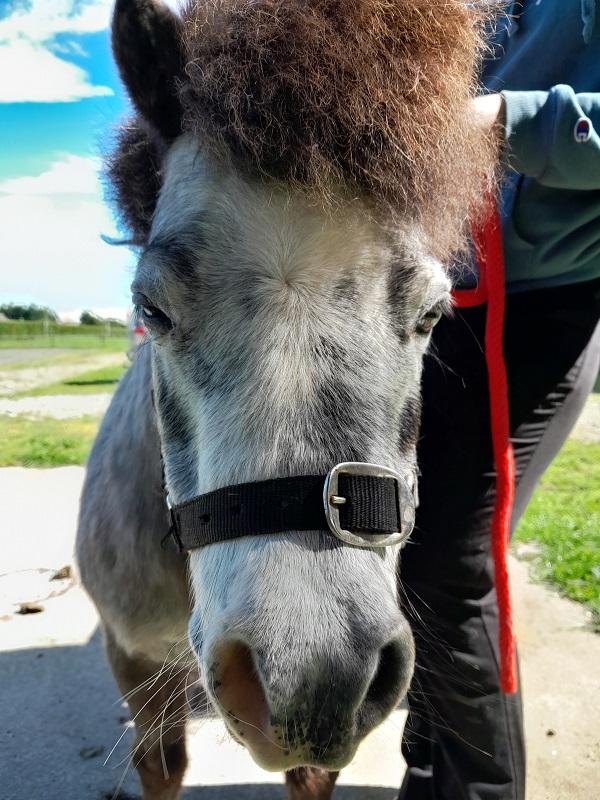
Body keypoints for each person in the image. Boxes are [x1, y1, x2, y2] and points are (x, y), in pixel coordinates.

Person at [399, 3, 600, 799]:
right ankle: (431, 754)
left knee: (452, 559)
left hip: (543, 305)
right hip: (439, 298)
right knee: (405, 542)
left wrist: (508, 120)